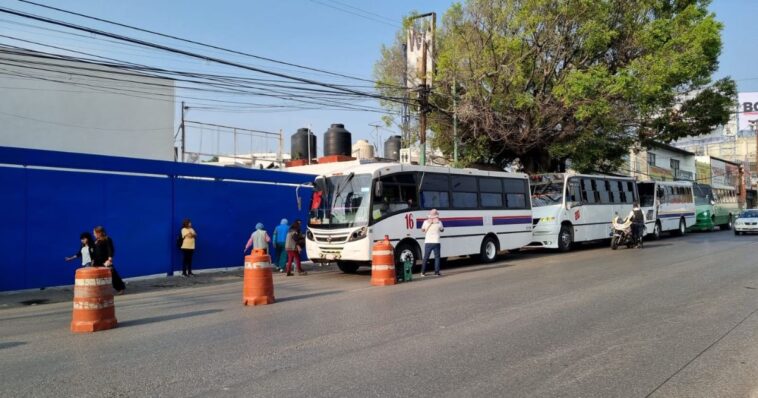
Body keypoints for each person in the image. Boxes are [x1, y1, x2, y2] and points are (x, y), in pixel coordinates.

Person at [92, 226, 126, 294]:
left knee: (112, 274)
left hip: (105, 261)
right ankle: (100, 290)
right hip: (97, 261)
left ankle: (121, 288)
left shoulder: (107, 239)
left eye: (94, 233)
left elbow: (110, 249)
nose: (94, 234)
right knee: (97, 276)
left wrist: (109, 259)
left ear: (99, 233)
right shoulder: (96, 241)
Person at [420, 209, 445, 277]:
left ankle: (423, 272)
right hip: (436, 242)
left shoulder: (425, 222)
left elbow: (422, 230)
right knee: (437, 258)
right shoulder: (439, 222)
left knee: (426, 258)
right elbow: (442, 230)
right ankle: (436, 272)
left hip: (428, 242)